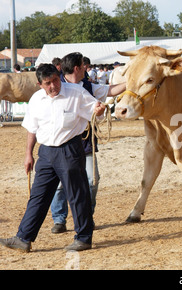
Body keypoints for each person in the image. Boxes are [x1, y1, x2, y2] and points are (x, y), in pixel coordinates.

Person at [0, 64, 106, 252]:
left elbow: (96, 112)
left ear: (59, 77)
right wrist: (28, 154)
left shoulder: (77, 93)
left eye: (55, 80)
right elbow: (32, 129)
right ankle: (23, 238)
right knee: (38, 196)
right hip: (46, 153)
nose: (53, 86)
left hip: (70, 149)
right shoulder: (36, 99)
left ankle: (83, 238)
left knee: (77, 194)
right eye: (48, 83)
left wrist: (99, 111)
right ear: (40, 84)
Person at [50, 52, 126, 234]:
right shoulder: (55, 86)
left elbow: (110, 90)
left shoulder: (88, 86)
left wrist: (134, 81)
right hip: (62, 142)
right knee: (60, 183)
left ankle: (86, 215)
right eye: (84, 65)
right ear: (77, 68)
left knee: (92, 180)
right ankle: (59, 219)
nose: (87, 68)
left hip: (85, 141)